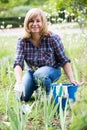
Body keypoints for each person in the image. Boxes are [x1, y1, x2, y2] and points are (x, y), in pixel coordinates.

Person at [13, 8, 79, 103]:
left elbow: (64, 60)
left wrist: (72, 79)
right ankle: (37, 90)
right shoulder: (22, 41)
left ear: (43, 23)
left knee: (40, 74)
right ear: (27, 23)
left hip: (52, 70)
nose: (35, 24)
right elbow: (18, 62)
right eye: (31, 21)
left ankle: (48, 93)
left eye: (38, 21)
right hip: (32, 72)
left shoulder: (53, 38)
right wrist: (19, 82)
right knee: (21, 97)